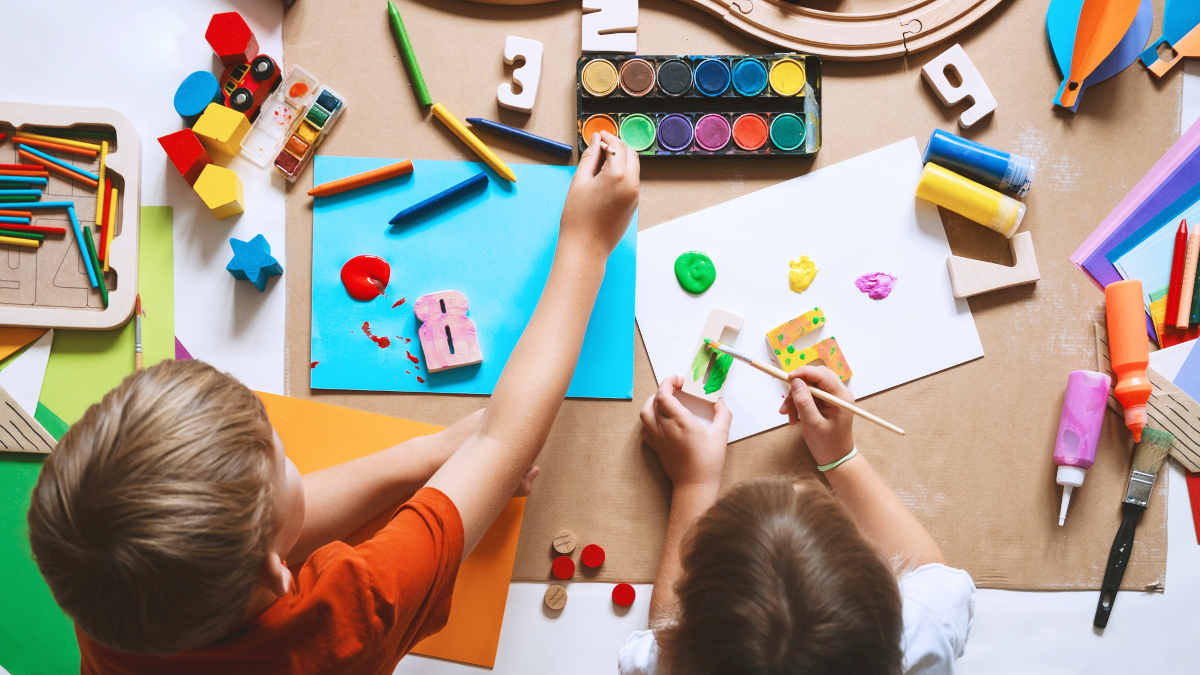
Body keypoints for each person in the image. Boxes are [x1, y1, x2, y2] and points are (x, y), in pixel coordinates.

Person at [27, 131, 638, 674]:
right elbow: (505, 442)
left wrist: (437, 451)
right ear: (279, 573)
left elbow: (269, 528)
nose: (292, 464)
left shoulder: (112, 599)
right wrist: (587, 243)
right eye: (282, 457)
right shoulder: (347, 619)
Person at [624, 366, 975, 675]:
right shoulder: (924, 631)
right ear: (885, 583)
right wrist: (841, 458)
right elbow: (932, 574)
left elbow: (658, 638)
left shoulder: (666, 664)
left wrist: (693, 484)